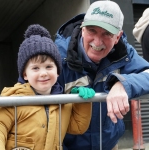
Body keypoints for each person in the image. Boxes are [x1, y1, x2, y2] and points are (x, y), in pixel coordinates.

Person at [54, 1, 149, 150]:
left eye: (107, 34)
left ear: (118, 37)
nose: (97, 42)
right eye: (92, 30)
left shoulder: (123, 52)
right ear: (83, 28)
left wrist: (123, 84)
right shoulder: (57, 56)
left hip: (109, 145)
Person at [0, 24, 94, 150]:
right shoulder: (13, 100)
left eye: (49, 67)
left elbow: (77, 126)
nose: (43, 73)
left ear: (58, 71)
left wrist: (80, 102)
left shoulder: (63, 102)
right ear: (25, 74)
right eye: (35, 68)